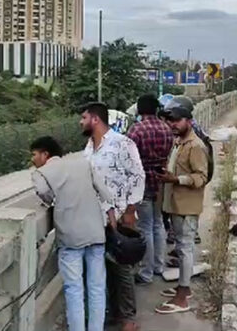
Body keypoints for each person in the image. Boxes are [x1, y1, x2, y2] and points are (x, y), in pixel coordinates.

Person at [30, 136, 115, 331]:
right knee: (97, 288)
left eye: (34, 154)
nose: (33, 159)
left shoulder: (41, 173)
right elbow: (105, 192)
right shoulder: (83, 164)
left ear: (45, 154)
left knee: (74, 290)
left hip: (70, 238)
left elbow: (45, 195)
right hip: (95, 233)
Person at [81, 102, 145, 331]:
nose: (81, 122)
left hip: (118, 215)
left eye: (84, 117)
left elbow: (138, 175)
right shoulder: (88, 148)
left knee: (122, 267)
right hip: (95, 217)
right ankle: (111, 313)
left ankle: (128, 317)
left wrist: (130, 211)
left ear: (95, 119)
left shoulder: (122, 143)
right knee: (103, 268)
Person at [155, 106, 209, 314]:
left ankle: (183, 297)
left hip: (187, 206)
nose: (172, 125)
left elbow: (201, 177)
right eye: (170, 121)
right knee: (181, 247)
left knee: (185, 248)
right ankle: (182, 289)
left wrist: (176, 179)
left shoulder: (195, 146)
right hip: (176, 203)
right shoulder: (179, 143)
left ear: (188, 120)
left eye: (176, 121)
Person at [126, 95, 174, 285]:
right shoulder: (166, 129)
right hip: (161, 180)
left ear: (139, 109)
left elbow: (128, 158)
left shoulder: (136, 130)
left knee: (145, 227)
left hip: (142, 183)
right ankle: (158, 266)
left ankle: (145, 273)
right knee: (158, 224)